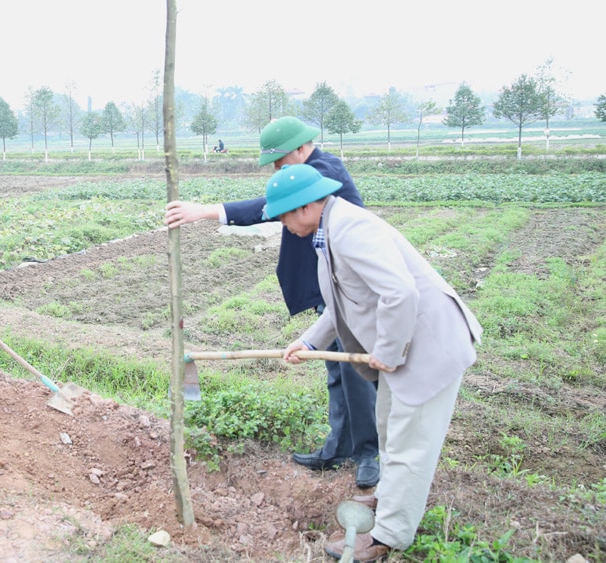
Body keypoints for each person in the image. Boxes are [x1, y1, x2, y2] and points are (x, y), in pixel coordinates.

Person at [266, 164, 482, 561]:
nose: (283, 225)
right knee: (387, 425)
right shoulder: (329, 231)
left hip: (428, 346)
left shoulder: (350, 229)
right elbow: (340, 303)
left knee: (408, 445)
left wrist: (388, 349)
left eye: (283, 215)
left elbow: (399, 293)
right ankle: (387, 497)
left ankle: (388, 536)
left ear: (307, 206)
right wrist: (308, 343)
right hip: (406, 346)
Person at [164, 116, 380, 488]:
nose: (280, 171)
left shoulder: (323, 173)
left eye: (281, 163)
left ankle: (368, 454)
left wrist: (206, 211)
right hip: (326, 284)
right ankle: (339, 446)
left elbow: (269, 205)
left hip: (348, 287)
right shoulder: (310, 170)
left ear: (300, 148)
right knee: (335, 369)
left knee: (353, 370)